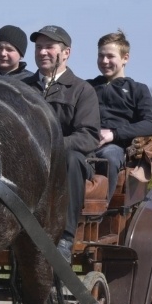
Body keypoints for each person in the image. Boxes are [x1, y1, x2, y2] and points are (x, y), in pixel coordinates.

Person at [22, 26, 100, 262]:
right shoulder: (21, 87)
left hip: (67, 164)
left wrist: (50, 146)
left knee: (72, 159)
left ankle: (65, 238)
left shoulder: (82, 90)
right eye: (38, 47)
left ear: (66, 53)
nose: (42, 52)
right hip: (27, 160)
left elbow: (88, 136)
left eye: (49, 47)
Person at [87, 30, 152, 202]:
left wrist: (113, 134)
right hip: (85, 142)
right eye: (101, 56)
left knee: (110, 158)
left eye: (110, 56)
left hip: (115, 146)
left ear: (125, 58)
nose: (104, 61)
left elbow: (151, 124)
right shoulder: (87, 87)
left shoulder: (138, 90)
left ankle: (100, 208)